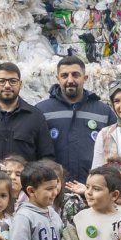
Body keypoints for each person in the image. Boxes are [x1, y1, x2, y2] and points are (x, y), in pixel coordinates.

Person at [35, 56, 114, 184]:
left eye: (75, 75)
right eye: (64, 75)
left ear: (85, 78)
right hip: (52, 189)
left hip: (92, 188)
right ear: (57, 79)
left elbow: (113, 152)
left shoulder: (103, 111)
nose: (70, 80)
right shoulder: (42, 110)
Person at [0, 62, 53, 173]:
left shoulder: (35, 117)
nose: (7, 85)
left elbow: (46, 159)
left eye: (13, 81)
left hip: (24, 188)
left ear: (20, 84)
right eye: (2, 81)